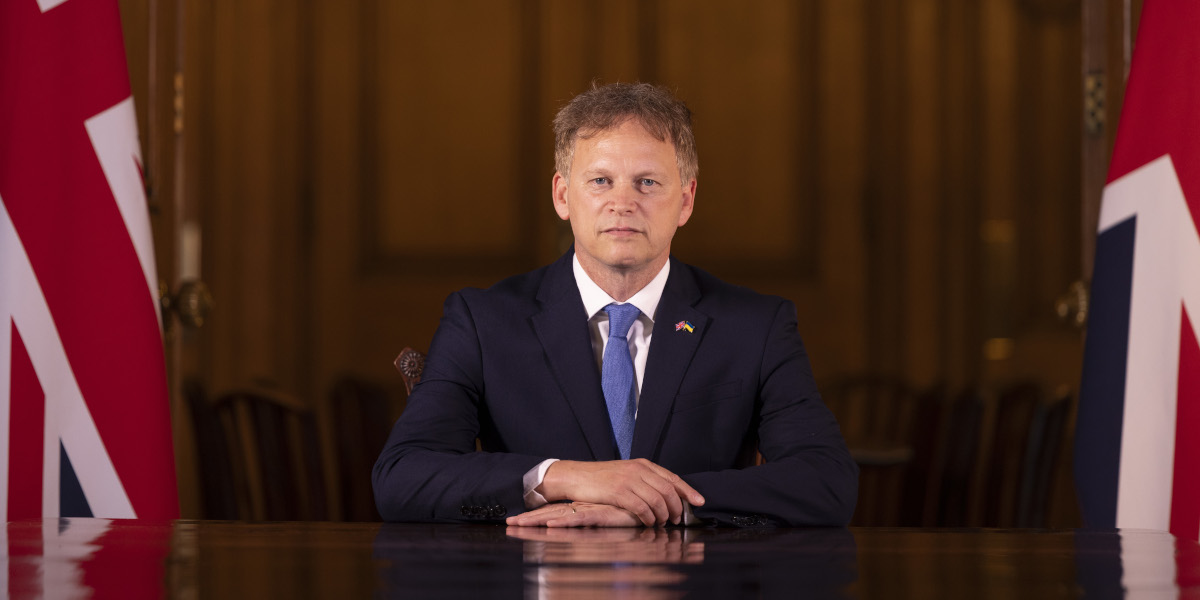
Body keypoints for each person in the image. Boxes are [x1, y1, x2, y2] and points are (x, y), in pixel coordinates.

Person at [372, 82, 858, 527]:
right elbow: (402, 476)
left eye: (647, 182)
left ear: (685, 200)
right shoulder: (482, 321)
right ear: (564, 196)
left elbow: (826, 479)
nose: (622, 202)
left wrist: (657, 505)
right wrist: (559, 478)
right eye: (600, 181)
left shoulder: (755, 325)